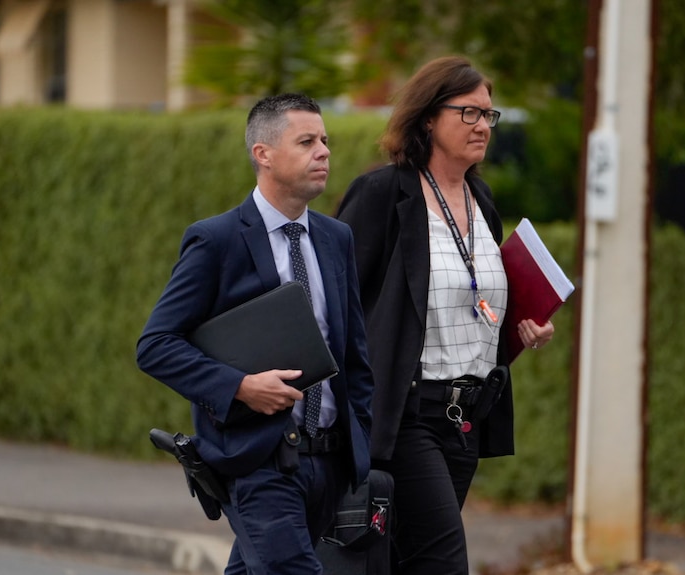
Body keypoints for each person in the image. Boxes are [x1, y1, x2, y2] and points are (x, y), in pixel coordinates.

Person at [136, 93, 374, 575]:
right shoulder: (216, 240)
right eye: (306, 141)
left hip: (328, 462)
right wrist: (240, 387)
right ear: (262, 154)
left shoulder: (336, 238)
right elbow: (155, 345)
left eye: (325, 140)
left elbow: (353, 354)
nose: (324, 151)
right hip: (259, 461)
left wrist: (359, 437)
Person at [335, 56, 555, 574]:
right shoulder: (384, 194)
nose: (483, 125)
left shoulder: (481, 198)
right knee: (443, 561)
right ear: (429, 117)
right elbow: (335, 298)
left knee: (405, 561)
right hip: (409, 414)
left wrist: (524, 324)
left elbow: (480, 300)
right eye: (469, 113)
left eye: (489, 115)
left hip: (467, 420)